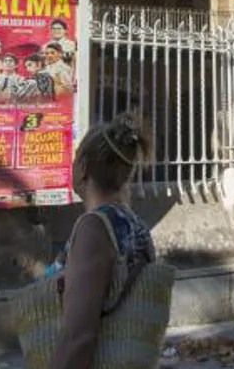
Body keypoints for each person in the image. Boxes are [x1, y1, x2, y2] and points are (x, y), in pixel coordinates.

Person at [47, 114, 154, 369]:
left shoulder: (94, 228)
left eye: (74, 160)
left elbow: (78, 337)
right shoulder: (133, 223)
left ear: (83, 167)